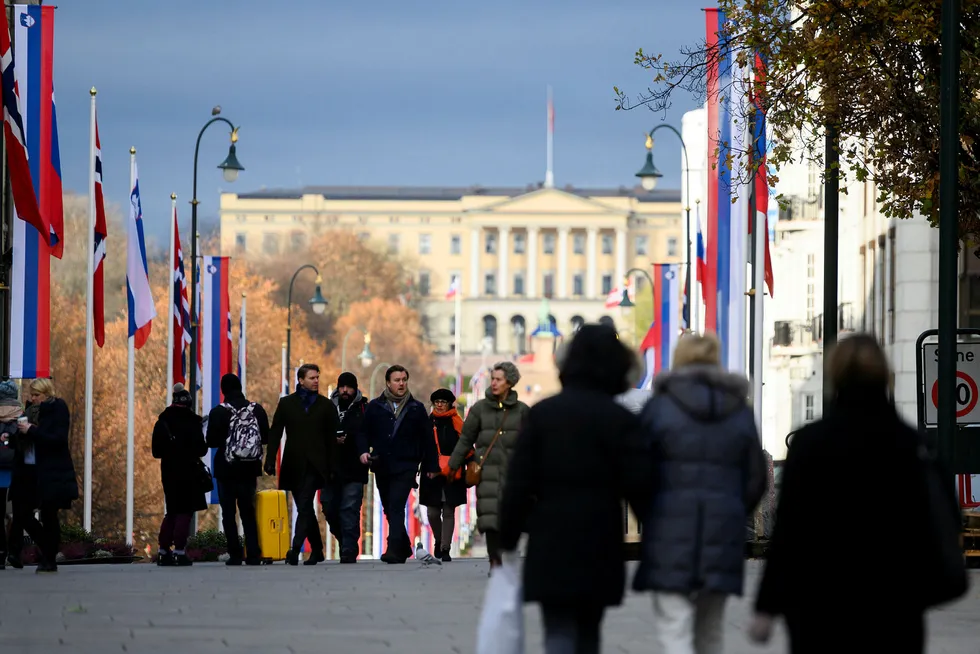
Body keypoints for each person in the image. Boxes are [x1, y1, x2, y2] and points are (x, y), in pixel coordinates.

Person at [749, 334, 947, 653]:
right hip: (895, 606)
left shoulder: (811, 443)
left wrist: (767, 605)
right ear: (885, 375)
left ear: (835, 375)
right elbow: (939, 521)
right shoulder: (913, 445)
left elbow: (790, 530)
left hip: (820, 606)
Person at [499, 324, 649, 654]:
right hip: (601, 539)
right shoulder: (620, 419)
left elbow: (519, 482)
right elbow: (641, 486)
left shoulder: (543, 414)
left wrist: (507, 537)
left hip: (551, 539)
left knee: (558, 631)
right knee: (589, 631)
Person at [633, 332, 767, 654]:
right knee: (710, 631)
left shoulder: (659, 407)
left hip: (669, 529)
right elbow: (755, 476)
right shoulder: (738, 409)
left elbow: (637, 473)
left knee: (673, 629)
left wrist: (650, 516)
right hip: (722, 530)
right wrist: (734, 510)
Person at [448, 361, 530, 569]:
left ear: (509, 382)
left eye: (498, 379)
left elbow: (533, 444)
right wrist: (452, 466)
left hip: (514, 475)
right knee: (490, 517)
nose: (493, 383)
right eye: (492, 379)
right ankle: (495, 559)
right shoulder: (479, 409)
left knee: (511, 517)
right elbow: (466, 440)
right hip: (486, 473)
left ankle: (508, 555)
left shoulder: (522, 411)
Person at [358, 365, 436, 564]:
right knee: (388, 506)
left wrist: (431, 466)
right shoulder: (375, 407)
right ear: (388, 383)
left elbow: (427, 440)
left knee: (396, 505)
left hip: (406, 466)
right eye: (397, 380)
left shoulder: (416, 408)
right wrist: (363, 452)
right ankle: (403, 544)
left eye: (404, 380)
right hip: (382, 465)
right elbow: (363, 432)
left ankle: (393, 549)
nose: (401, 384)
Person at [265, 363, 339, 566]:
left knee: (305, 504)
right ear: (301, 380)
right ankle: (317, 550)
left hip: (317, 465)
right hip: (294, 463)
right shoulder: (287, 403)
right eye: (312, 378)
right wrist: (270, 459)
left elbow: (333, 439)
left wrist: (333, 467)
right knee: (304, 507)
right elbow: (275, 432)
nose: (316, 381)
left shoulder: (325, 405)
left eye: (317, 377)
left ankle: (294, 548)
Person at [12, 378, 78, 574]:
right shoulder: (30, 412)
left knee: (49, 515)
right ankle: (48, 549)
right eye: (31, 395)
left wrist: (32, 430)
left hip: (51, 471)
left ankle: (49, 557)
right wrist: (18, 435)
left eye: (36, 395)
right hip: (29, 470)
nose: (33, 399)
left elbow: (57, 440)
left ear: (46, 394)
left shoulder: (57, 409)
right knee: (22, 513)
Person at [207, 374, 270, 566]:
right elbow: (265, 438)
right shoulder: (256, 409)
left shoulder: (218, 412)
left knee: (228, 513)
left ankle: (235, 554)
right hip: (249, 469)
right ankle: (253, 554)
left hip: (226, 469)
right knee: (248, 512)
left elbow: (211, 441)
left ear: (223, 390)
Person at [152, 384, 209, 567]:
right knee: (185, 512)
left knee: (172, 511)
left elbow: (156, 452)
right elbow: (201, 448)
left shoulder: (163, 421)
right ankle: (179, 552)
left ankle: (163, 551)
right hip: (189, 470)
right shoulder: (194, 422)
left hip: (169, 471)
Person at [421, 388, 470, 562]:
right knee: (433, 513)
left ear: (450, 404)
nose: (440, 405)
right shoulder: (427, 422)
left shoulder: (457, 422)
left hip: (452, 473)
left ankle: (445, 549)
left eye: (443, 402)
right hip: (432, 472)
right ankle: (439, 539)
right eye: (437, 402)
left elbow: (467, 446)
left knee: (449, 511)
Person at [323, 372, 368, 564]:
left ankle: (349, 550)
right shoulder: (326, 408)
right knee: (329, 507)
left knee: (349, 509)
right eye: (342, 387)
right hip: (330, 468)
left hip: (354, 468)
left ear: (355, 388)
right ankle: (344, 540)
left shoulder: (364, 408)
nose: (345, 391)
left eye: (349, 387)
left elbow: (367, 433)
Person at [0, 380, 22, 570]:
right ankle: (14, 552)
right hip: (16, 473)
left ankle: (0, 554)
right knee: (17, 514)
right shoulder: (22, 417)